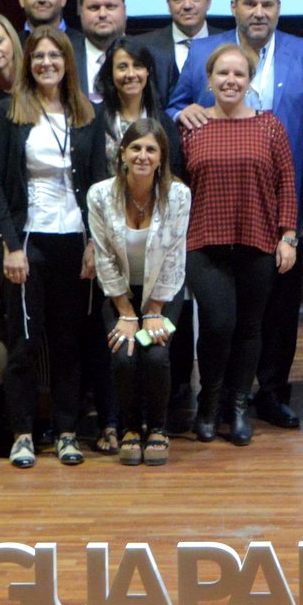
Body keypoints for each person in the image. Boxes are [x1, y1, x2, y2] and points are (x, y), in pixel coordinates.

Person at [166, 0, 303, 430]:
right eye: (250, 3)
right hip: (211, 210)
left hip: (280, 203)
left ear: (278, 8)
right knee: (221, 318)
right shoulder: (201, 51)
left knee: (275, 316)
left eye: (268, 4)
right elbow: (174, 105)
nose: (259, 12)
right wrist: (184, 110)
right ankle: (214, 400)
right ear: (233, 6)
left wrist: (299, 220)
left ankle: (270, 395)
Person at [0, 30, 109, 466]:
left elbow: (97, 186)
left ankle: (67, 431)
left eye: (55, 55)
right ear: (27, 63)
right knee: (25, 341)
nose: (47, 63)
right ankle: (22, 433)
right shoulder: (8, 113)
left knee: (68, 342)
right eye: (38, 56)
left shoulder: (87, 115)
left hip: (74, 239)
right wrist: (10, 246)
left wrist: (93, 243)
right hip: (28, 241)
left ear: (68, 63)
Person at [181, 43, 299, 445]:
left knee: (250, 328)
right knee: (217, 324)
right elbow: (176, 188)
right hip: (202, 242)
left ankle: (237, 408)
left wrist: (287, 236)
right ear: (209, 81)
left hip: (258, 240)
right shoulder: (190, 127)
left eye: (239, 74)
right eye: (222, 74)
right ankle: (208, 404)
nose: (231, 81)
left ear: (249, 81)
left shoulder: (269, 125)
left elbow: (287, 182)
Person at [89, 116, 190, 465]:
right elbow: (103, 256)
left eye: (151, 149)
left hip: (164, 290)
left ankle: (158, 429)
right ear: (122, 153)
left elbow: (176, 256)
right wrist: (127, 311)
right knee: (123, 356)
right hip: (120, 293)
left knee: (157, 355)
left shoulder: (178, 195)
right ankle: (131, 427)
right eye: (135, 148)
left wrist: (153, 311)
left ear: (162, 157)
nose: (142, 155)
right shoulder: (100, 194)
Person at [130, 0, 218, 96]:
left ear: (208, 1)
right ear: (168, 4)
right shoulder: (144, 46)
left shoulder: (229, 42)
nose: (187, 5)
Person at [71, 0, 129, 100]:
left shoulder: (150, 56)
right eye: (94, 8)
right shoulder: (66, 58)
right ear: (81, 13)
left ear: (125, 11)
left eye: (110, 6)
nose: (102, 14)